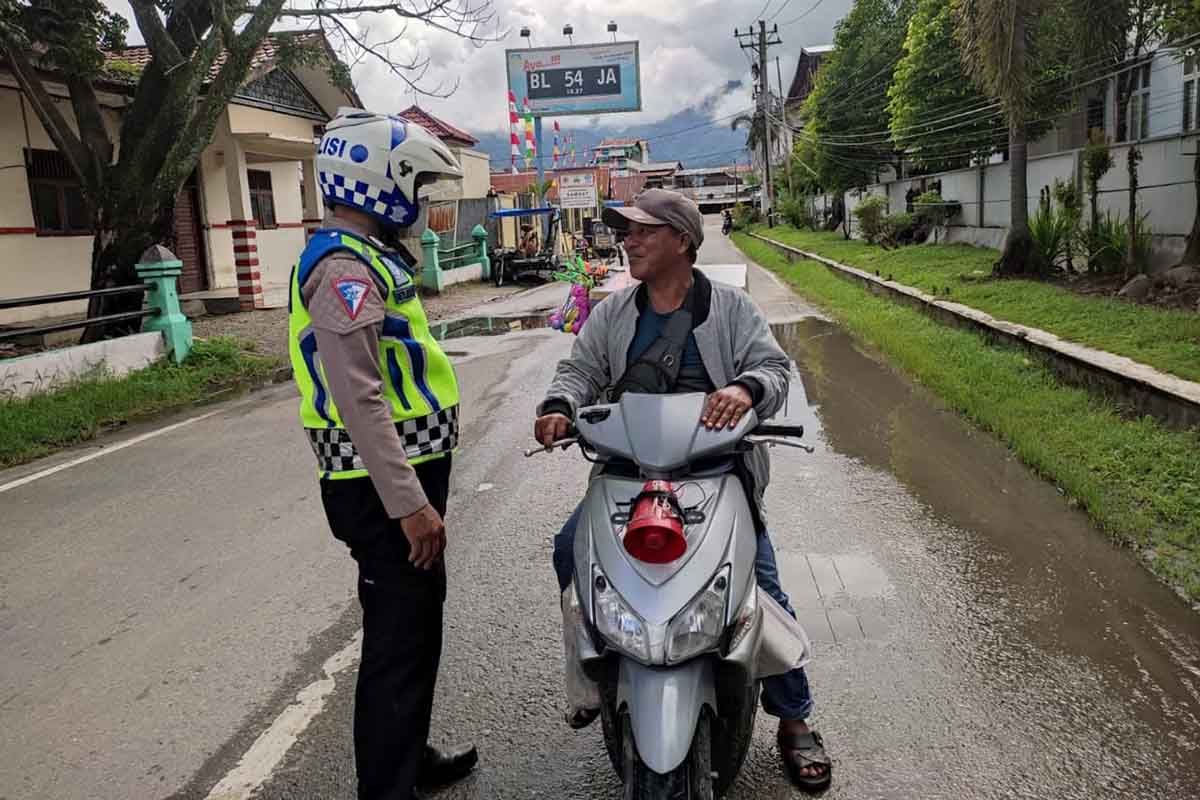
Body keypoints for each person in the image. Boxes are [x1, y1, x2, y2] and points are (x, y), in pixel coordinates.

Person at [533, 188, 833, 793]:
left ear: (683, 241)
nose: (629, 241)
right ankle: (593, 675)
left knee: (761, 586)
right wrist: (560, 405)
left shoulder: (730, 308)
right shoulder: (613, 313)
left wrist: (746, 390)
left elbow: (773, 368)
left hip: (717, 473)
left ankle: (795, 718)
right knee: (571, 551)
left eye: (643, 231)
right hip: (628, 472)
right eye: (626, 232)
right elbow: (579, 370)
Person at [287, 108, 477, 800]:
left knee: (416, 627)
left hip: (396, 480)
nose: (421, 204)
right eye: (416, 187)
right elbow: (361, 401)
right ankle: (389, 787)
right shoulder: (341, 268)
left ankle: (408, 756)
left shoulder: (367, 258)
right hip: (380, 489)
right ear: (380, 182)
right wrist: (411, 507)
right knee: (398, 641)